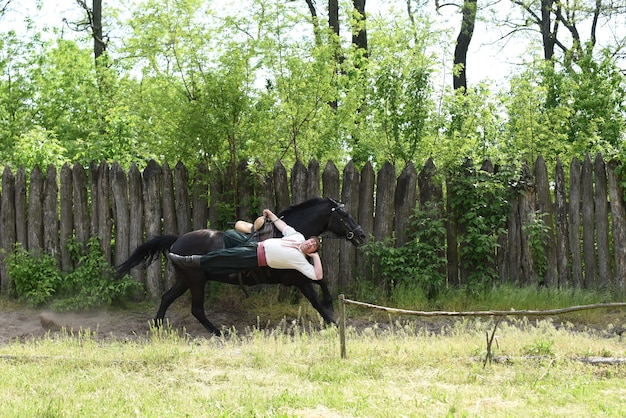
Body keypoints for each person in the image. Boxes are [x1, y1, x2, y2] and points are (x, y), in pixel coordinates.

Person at [168, 209, 323, 281]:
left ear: (311, 251)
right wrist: (271, 215)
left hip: (256, 257)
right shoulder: (297, 237)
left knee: (223, 256)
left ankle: (191, 261)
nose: (309, 245)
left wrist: (315, 258)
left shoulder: (300, 261)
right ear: (307, 239)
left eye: (312, 247)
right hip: (255, 245)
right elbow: (283, 226)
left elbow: (318, 275)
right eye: (310, 242)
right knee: (229, 234)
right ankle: (235, 264)